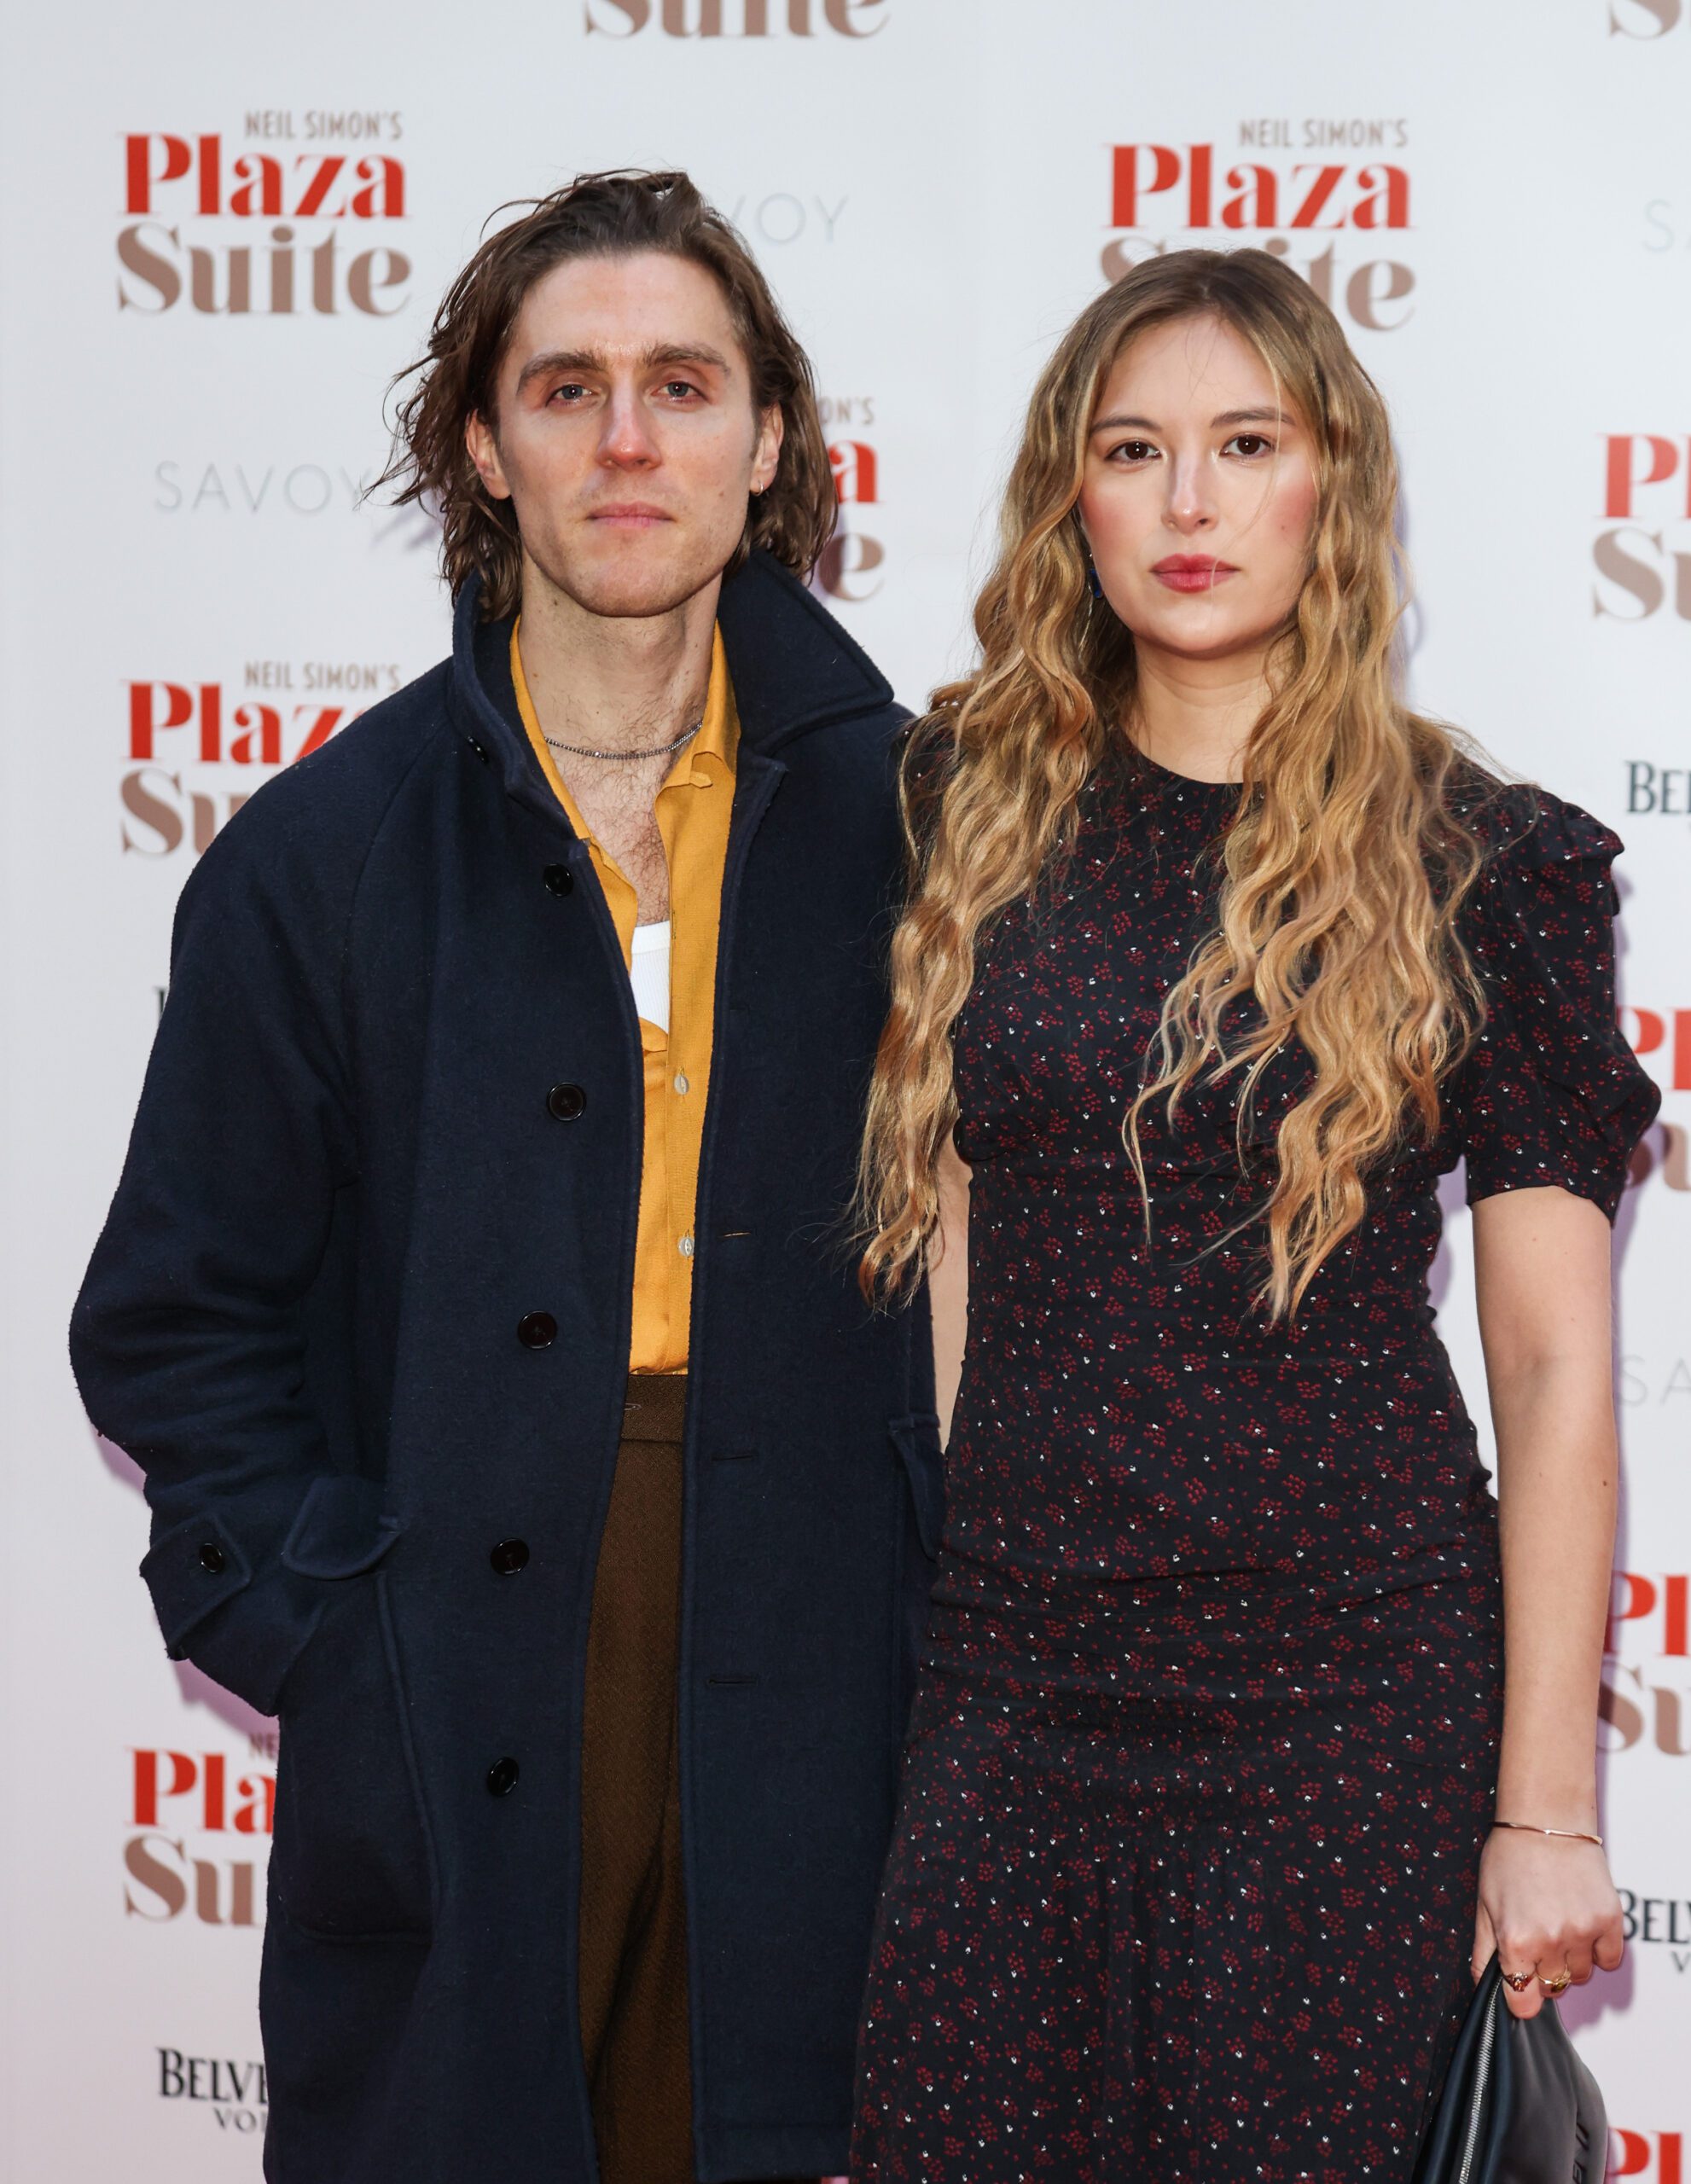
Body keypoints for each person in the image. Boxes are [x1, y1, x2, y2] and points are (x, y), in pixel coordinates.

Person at [71, 170, 938, 2184]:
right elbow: (176, 1317)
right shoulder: (323, 854)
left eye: (682, 386)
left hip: (835, 1663)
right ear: (483, 444)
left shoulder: (930, 831)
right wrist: (335, 1637)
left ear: (769, 442)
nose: (627, 439)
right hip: (449, 1659)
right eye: (567, 389)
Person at [850, 247, 1657, 2181]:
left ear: (1331, 485)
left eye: (1244, 442)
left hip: (1345, 1699)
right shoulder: (958, 812)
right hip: (1013, 1676)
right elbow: (945, 1241)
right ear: (1072, 496)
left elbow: (1554, 1370)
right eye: (1134, 450)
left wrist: (1543, 1807)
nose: (1189, 502)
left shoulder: (1486, 863)